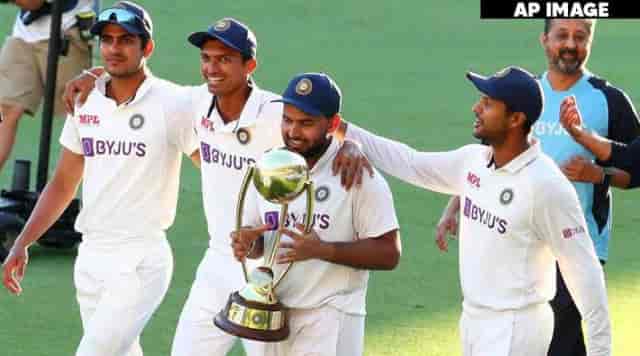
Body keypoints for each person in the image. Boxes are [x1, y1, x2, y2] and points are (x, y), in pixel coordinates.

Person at [62, 17, 369, 355]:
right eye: (206, 58)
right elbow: (141, 84)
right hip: (218, 260)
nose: (212, 67)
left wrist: (352, 145)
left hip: (269, 266)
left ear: (249, 65)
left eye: (224, 59)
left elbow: (324, 128)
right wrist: (94, 74)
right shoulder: (191, 103)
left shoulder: (273, 112)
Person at [333, 66, 612, 355]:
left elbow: (585, 274)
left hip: (516, 327)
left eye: (488, 103)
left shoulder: (546, 185)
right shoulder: (474, 161)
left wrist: (601, 352)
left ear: (516, 119)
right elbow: (410, 162)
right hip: (474, 320)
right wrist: (342, 129)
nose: (476, 108)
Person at [1, 2, 199, 356]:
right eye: (107, 40)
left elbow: (212, 165)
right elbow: (63, 182)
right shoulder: (85, 101)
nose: (114, 48)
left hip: (140, 258)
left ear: (147, 48)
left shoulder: (173, 103)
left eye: (125, 40)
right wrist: (23, 242)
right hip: (91, 257)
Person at [435, 19, 640, 355]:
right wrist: (454, 205)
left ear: (591, 40)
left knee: (561, 340)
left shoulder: (608, 100)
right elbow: (490, 160)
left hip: (576, 242)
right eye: (562, 36)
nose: (570, 44)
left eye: (580, 36)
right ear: (545, 40)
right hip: (518, 243)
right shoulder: (525, 94)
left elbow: (637, 168)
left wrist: (598, 175)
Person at [231, 72, 401, 356]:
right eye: (287, 120)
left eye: (306, 123)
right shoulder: (270, 166)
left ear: (333, 124)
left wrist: (322, 250)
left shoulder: (357, 175)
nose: (293, 132)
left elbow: (389, 253)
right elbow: (259, 240)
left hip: (331, 316)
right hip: (274, 312)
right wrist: (248, 243)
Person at [0, 0, 94, 174]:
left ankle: (65, 193)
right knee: (6, 111)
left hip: (67, 29)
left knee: (76, 117)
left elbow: (33, 2)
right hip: (24, 32)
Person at [560, 95, 640, 188]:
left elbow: (632, 159)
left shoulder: (612, 98)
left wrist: (582, 135)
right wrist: (599, 174)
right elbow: (635, 173)